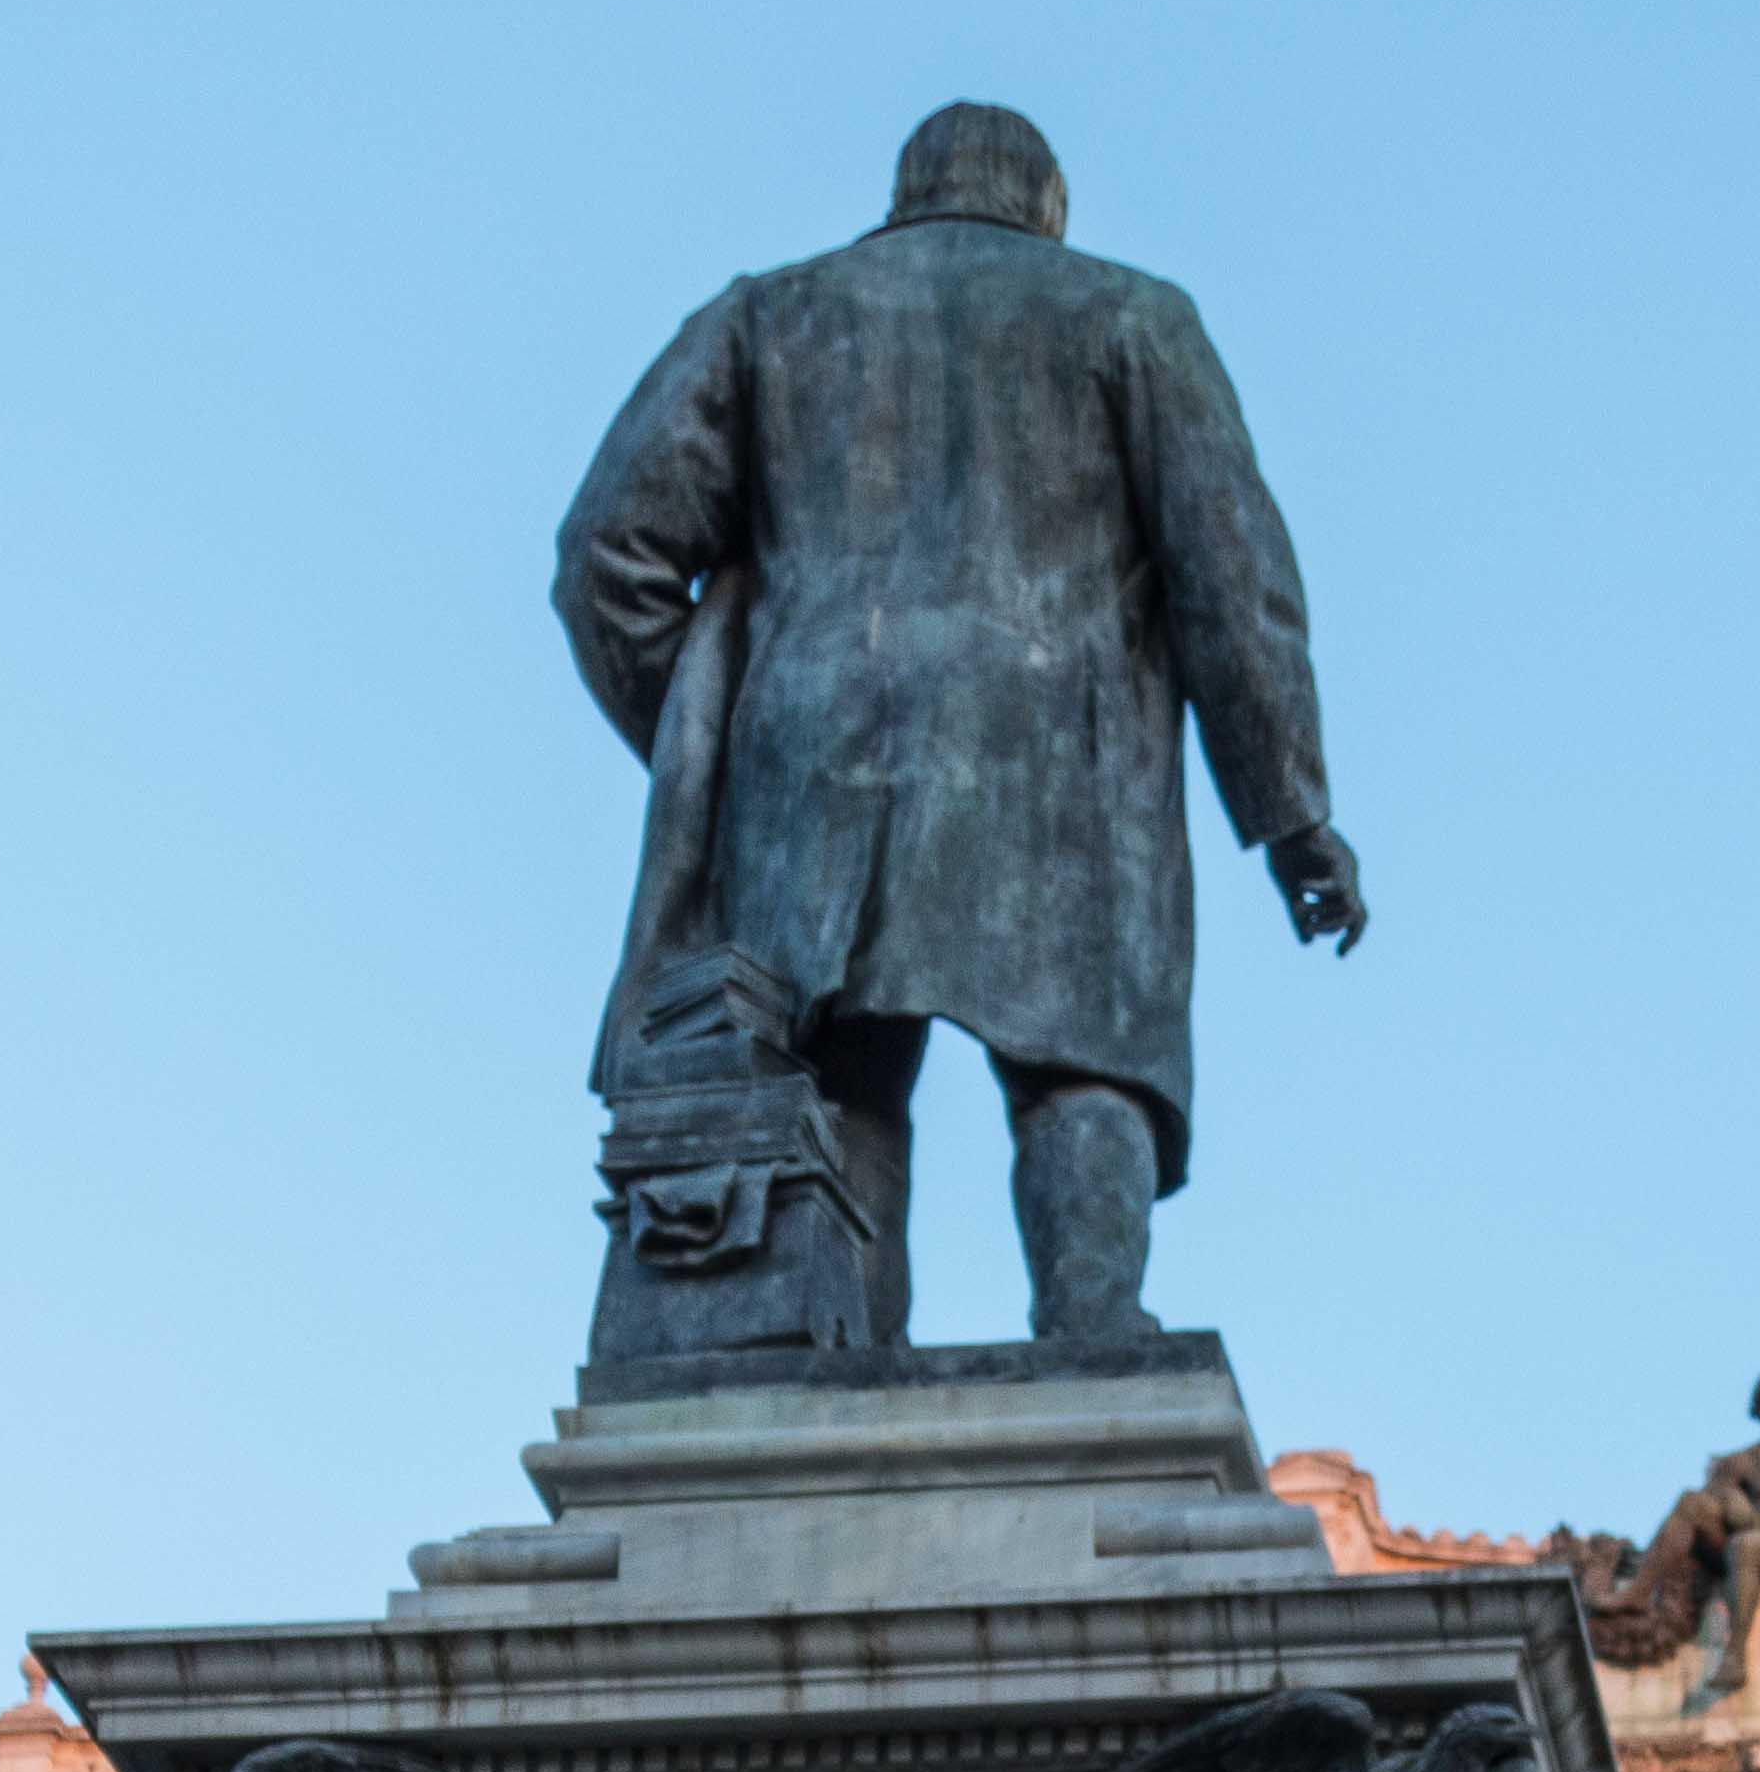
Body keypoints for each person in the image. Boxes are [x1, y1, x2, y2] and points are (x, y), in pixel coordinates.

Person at [555, 101, 1364, 1359]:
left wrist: (725, 745)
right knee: (1080, 1061)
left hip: (810, 767)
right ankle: (1093, 1334)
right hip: (1066, 762)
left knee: (835, 1080)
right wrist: (1292, 815)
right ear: (1045, 208)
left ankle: (839, 1357)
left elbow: (607, 556)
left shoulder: (767, 316)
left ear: (906, 194)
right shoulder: (1132, 316)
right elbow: (1230, 583)